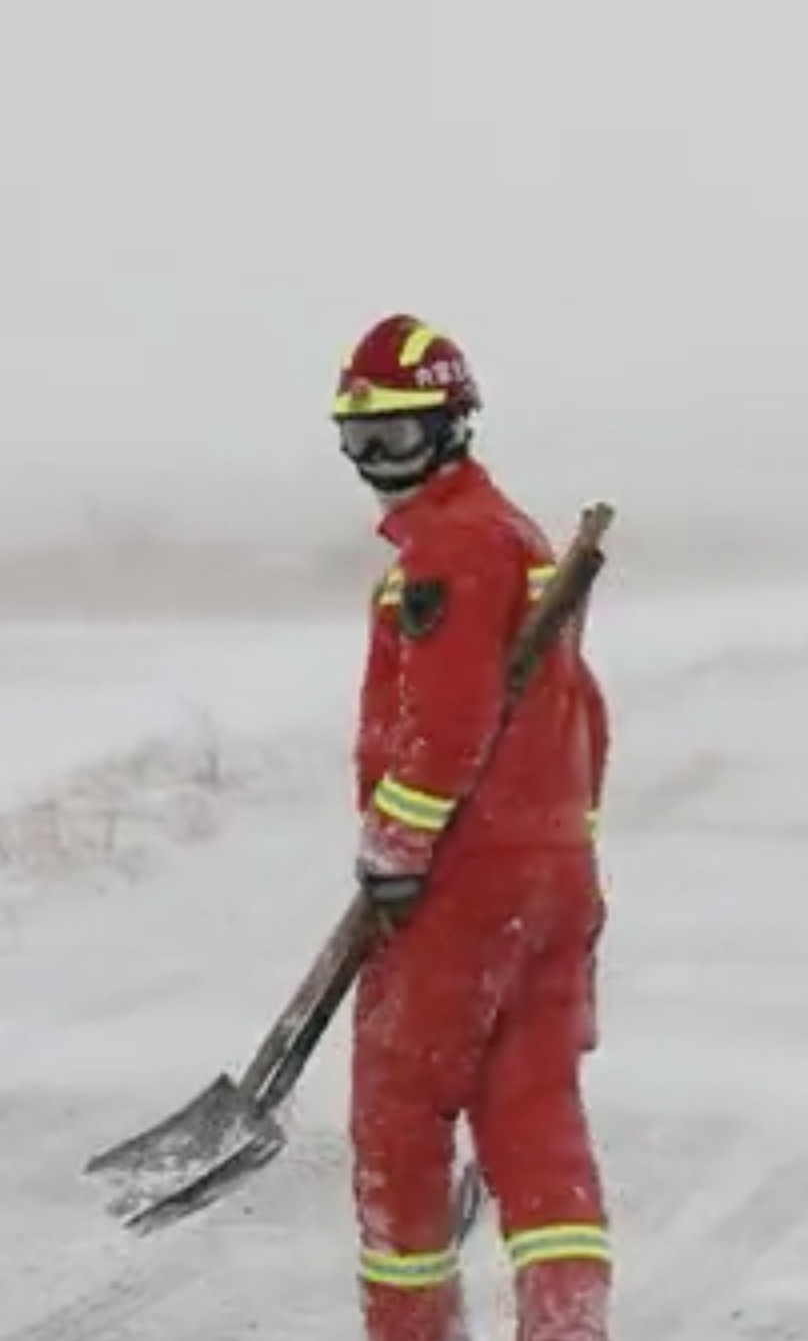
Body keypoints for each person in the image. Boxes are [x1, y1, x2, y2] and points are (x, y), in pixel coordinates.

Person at [336, 313, 615, 1341]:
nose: (377, 466)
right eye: (359, 441)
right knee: (535, 1114)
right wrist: (566, 855)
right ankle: (566, 1324)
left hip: (461, 882)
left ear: (452, 427)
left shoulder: (449, 548)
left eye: (398, 438)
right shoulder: (516, 534)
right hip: (549, 878)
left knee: (399, 1118)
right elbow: (584, 711)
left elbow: (446, 721)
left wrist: (396, 845)